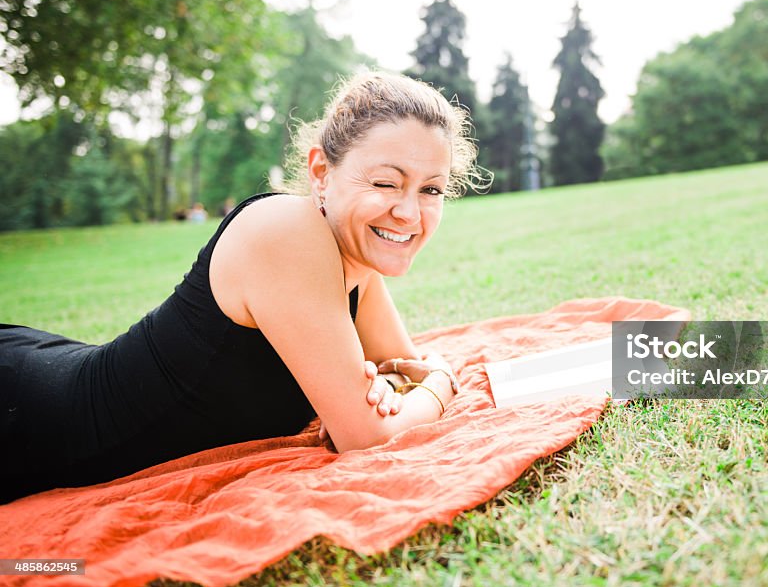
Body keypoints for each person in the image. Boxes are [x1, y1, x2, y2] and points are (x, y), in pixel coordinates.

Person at [0, 72, 488, 503]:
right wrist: (443, 383)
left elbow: (401, 374)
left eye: (431, 189)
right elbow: (373, 432)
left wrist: (401, 389)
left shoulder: (357, 265)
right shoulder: (285, 230)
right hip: (29, 418)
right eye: (386, 183)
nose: (409, 213)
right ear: (321, 172)